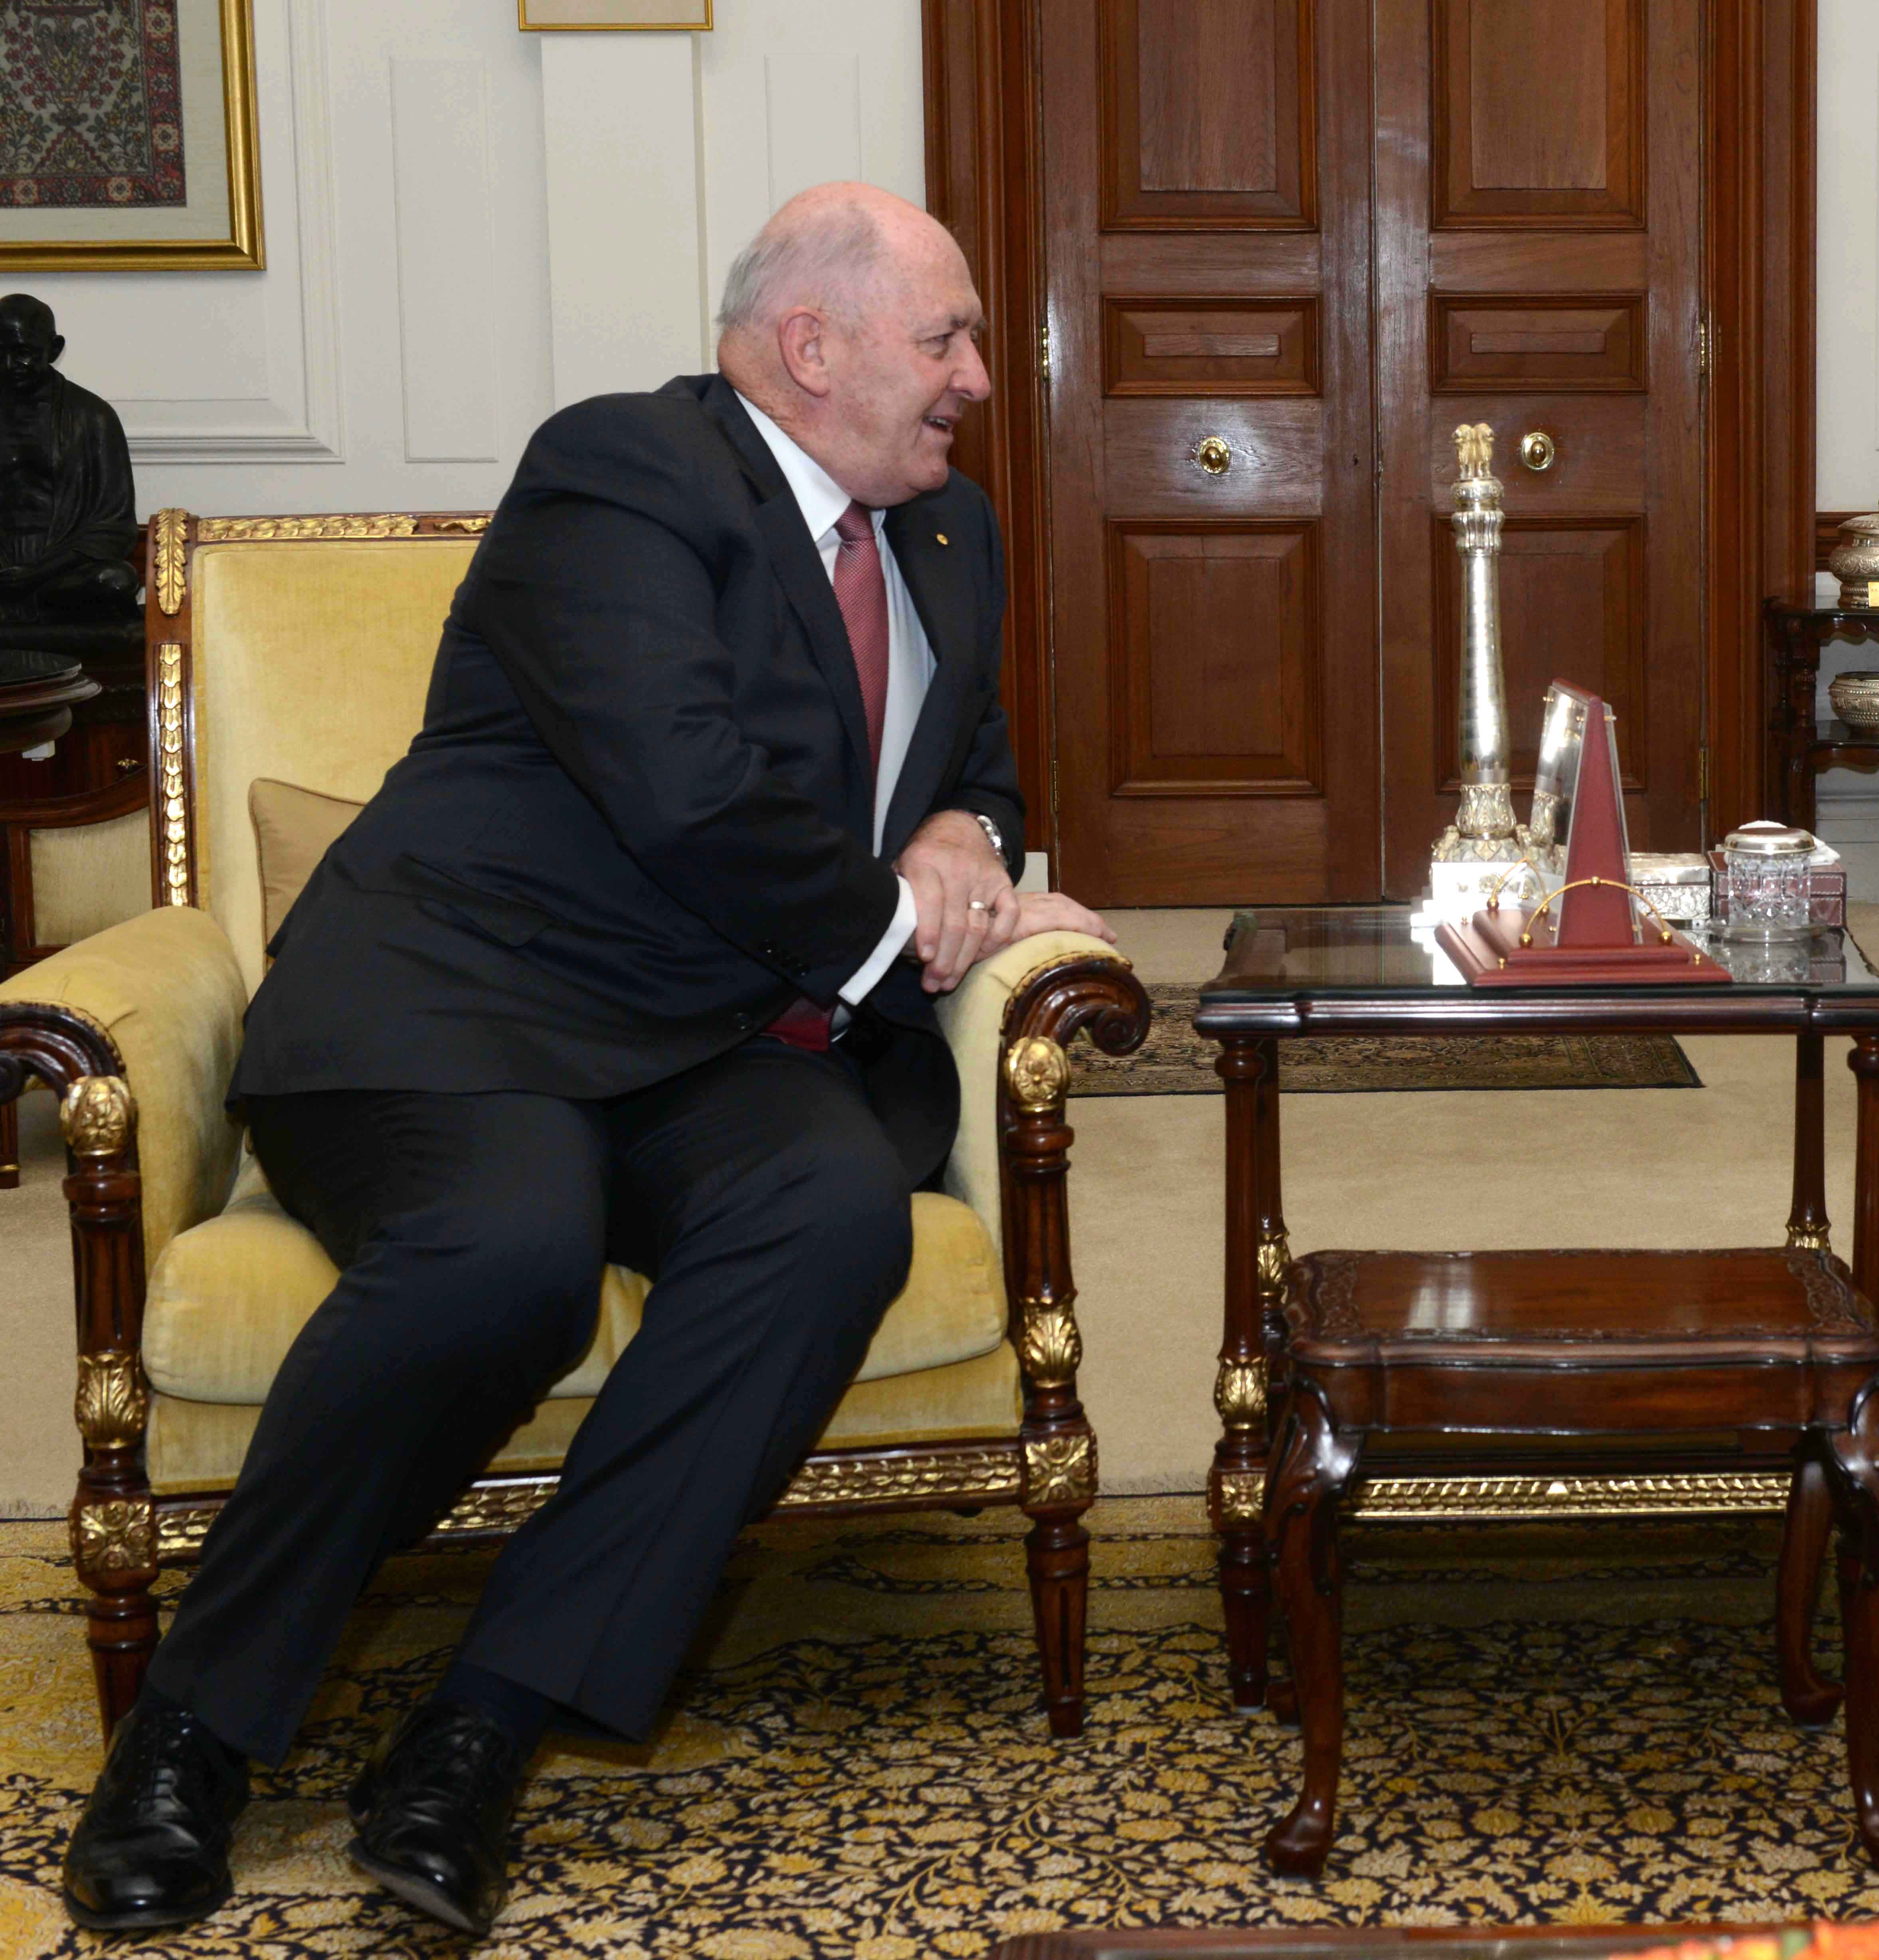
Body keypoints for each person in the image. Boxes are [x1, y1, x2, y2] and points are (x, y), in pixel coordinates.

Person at [58, 183, 1111, 1937]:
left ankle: (484, 1718)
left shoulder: (947, 536)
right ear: (811, 345)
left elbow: (978, 760)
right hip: (459, 1005)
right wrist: (904, 920)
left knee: (837, 1206)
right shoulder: (625, 474)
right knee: (511, 1250)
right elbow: (685, 786)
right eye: (948, 339)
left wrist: (962, 836)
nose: (980, 380)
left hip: (704, 1039)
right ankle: (194, 1726)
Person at [0, 292, 143, 638]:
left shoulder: (92, 417)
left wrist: (36, 572)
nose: (7, 366)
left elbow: (115, 527)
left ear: (53, 349)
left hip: (59, 573)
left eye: (22, 354)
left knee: (115, 580)